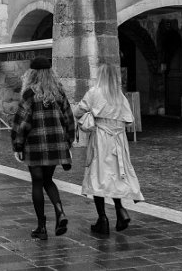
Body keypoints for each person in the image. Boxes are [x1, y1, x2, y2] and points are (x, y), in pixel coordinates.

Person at [74, 63, 144, 235]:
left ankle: (103, 219)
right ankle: (120, 211)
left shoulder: (94, 92)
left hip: (101, 139)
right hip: (119, 141)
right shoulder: (119, 95)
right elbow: (129, 120)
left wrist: (93, 117)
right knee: (116, 176)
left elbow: (78, 111)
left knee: (99, 176)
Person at [11, 56, 75, 240]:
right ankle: (60, 211)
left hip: (35, 146)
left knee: (37, 183)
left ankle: (41, 227)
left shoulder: (29, 94)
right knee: (48, 180)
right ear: (50, 73)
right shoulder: (59, 93)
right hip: (56, 145)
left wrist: (18, 145)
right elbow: (69, 120)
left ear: (32, 73)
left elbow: (21, 122)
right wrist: (68, 143)